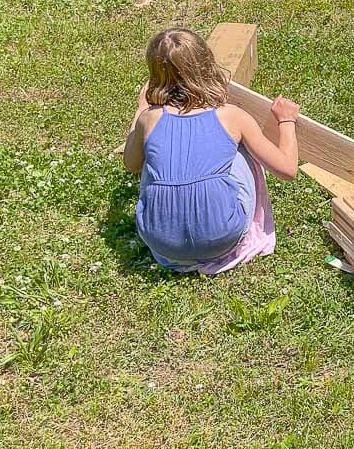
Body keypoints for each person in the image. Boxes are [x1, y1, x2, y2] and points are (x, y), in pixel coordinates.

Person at [122, 28, 301, 273]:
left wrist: (141, 110)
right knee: (240, 150)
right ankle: (240, 228)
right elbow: (288, 170)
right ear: (206, 64)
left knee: (152, 154)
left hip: (162, 244)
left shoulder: (149, 120)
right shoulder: (232, 117)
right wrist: (287, 121)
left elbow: (131, 165)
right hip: (221, 240)